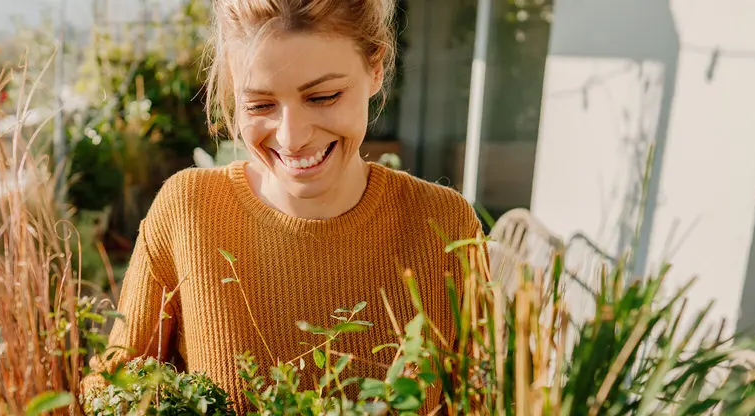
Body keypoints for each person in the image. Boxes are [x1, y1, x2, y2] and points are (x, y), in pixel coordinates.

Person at [81, 0, 486, 412]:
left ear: (375, 68)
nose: (292, 138)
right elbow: (111, 388)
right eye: (260, 105)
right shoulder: (188, 211)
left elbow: (485, 400)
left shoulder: (445, 227)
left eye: (324, 96)